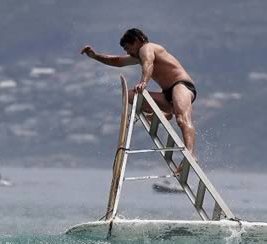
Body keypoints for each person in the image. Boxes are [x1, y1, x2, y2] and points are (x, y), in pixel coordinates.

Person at [81, 28, 198, 171]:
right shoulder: (138, 55)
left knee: (182, 120)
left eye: (128, 48)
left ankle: (191, 154)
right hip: (167, 95)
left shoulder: (147, 48)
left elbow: (149, 63)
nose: (127, 53)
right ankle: (166, 112)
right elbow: (117, 61)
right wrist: (95, 56)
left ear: (137, 41)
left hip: (181, 86)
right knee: (131, 96)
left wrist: (144, 82)